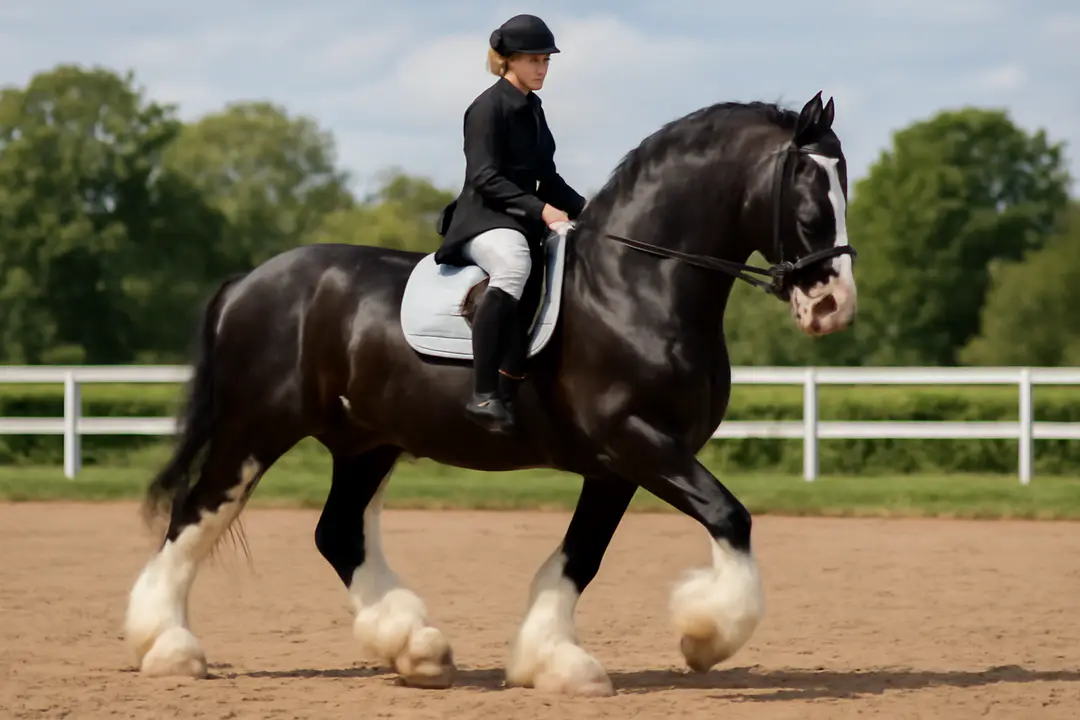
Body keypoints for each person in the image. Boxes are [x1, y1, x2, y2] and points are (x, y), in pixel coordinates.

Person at [434, 14, 586, 434]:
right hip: (482, 219)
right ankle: (482, 392)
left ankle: (514, 376)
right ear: (510, 60)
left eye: (546, 60)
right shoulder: (487, 108)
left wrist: (590, 211)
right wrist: (543, 211)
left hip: (519, 218)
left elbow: (548, 177)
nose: (542, 68)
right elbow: (484, 177)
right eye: (534, 60)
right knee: (515, 264)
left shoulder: (533, 109)